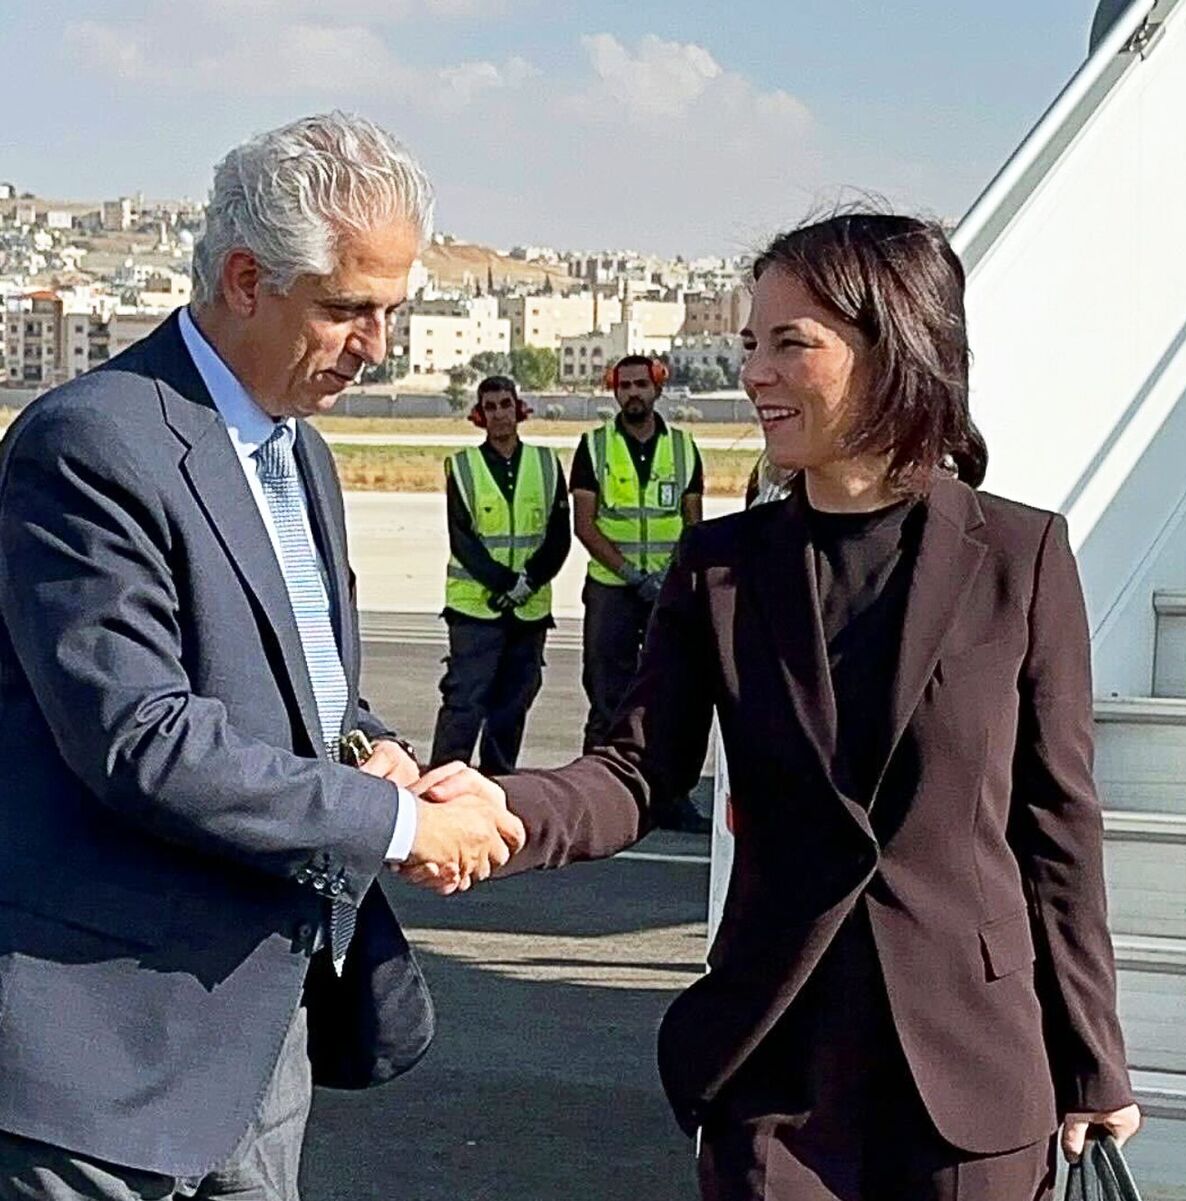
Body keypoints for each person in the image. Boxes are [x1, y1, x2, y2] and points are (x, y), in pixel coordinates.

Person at [408, 213, 1140, 1201]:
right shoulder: (721, 569)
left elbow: (1057, 827)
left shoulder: (1021, 558)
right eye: (751, 343)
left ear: (898, 349)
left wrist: (1092, 1053)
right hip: (776, 1069)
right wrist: (509, 805)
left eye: (790, 343)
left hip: (973, 1081)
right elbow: (636, 767)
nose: (754, 373)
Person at [0, 112, 522, 1201]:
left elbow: (301, 686)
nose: (375, 346)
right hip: (106, 1056)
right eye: (346, 309)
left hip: (256, 1038)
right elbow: (143, 740)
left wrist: (374, 751)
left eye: (391, 310)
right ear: (244, 278)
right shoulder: (91, 441)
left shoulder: (301, 454)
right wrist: (404, 827)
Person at [570, 353, 705, 829]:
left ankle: (670, 794)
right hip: (613, 589)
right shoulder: (594, 448)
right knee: (606, 690)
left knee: (672, 690)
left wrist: (670, 577)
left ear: (657, 388)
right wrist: (631, 574)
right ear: (614, 392)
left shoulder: (685, 449)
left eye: (640, 384)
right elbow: (584, 525)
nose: (632, 393)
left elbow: (693, 523)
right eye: (624, 385)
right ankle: (593, 797)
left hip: (667, 590)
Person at [429, 375, 570, 774]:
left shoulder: (545, 464)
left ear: (518, 408)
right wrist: (506, 584)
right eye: (490, 407)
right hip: (476, 609)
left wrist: (528, 582)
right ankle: (442, 781)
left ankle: (498, 780)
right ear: (480, 415)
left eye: (505, 405)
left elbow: (559, 536)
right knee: (465, 700)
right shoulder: (463, 466)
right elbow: (463, 539)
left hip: (529, 609)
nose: (499, 415)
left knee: (515, 701)